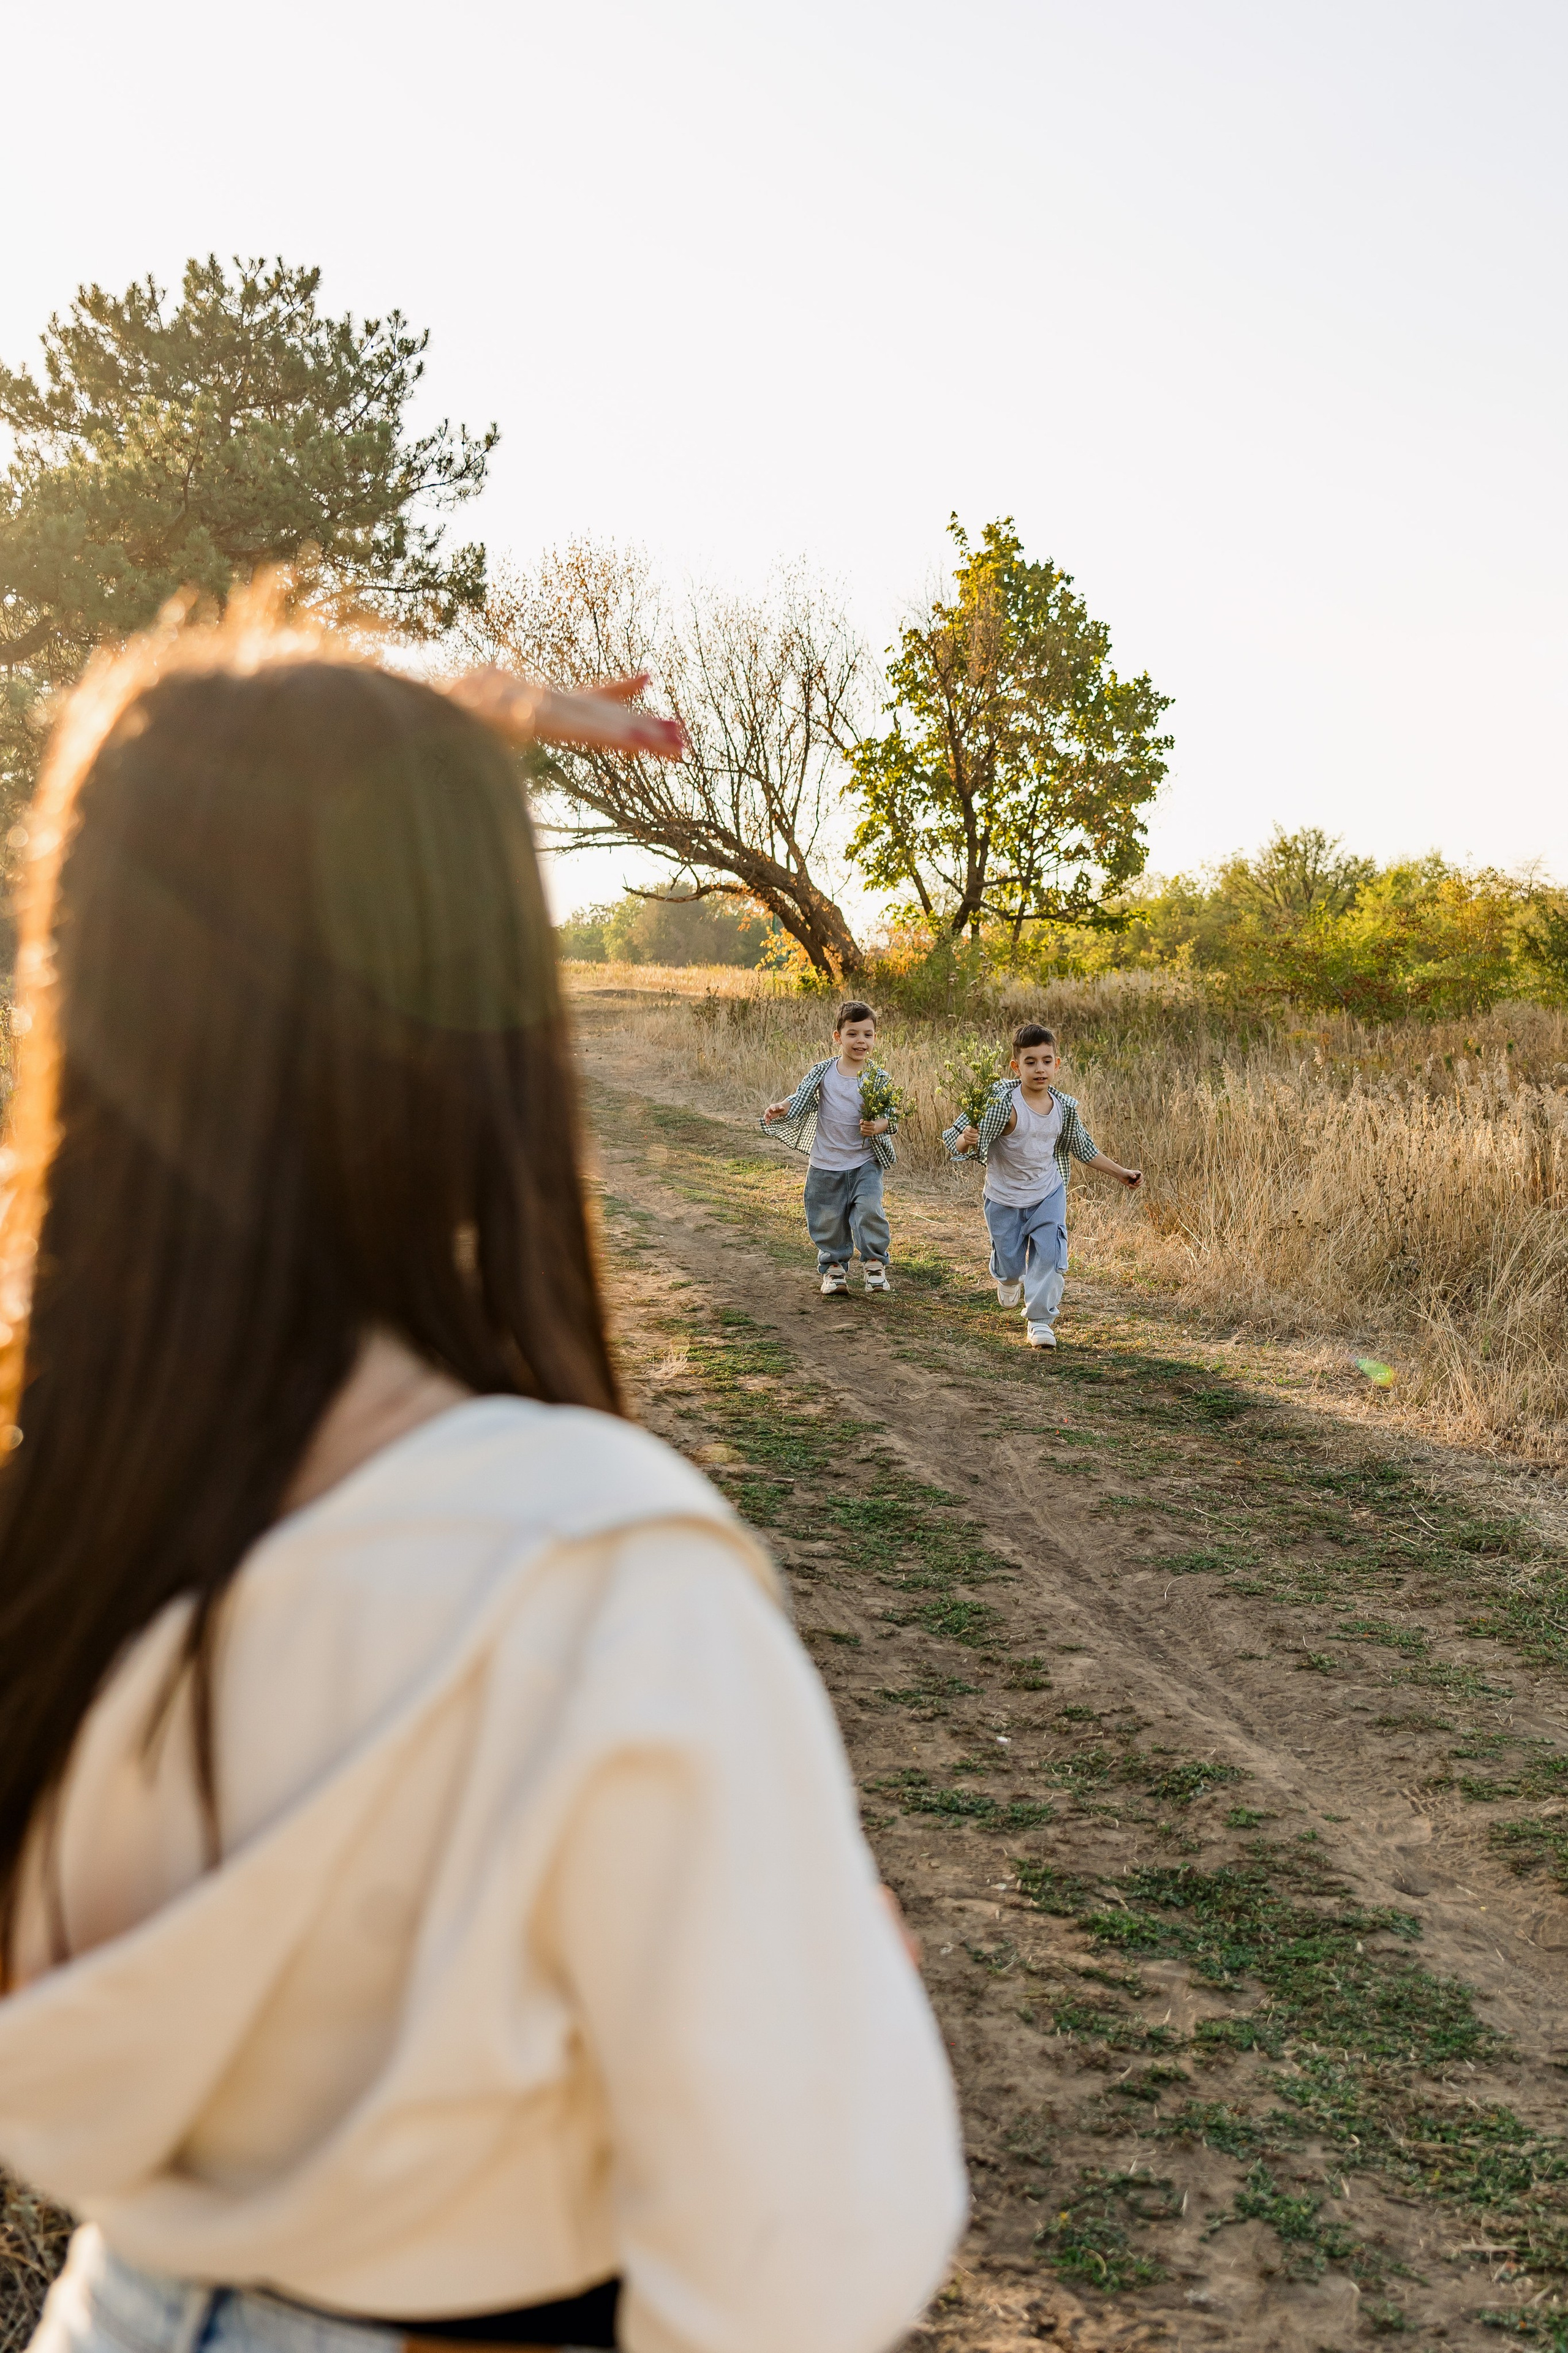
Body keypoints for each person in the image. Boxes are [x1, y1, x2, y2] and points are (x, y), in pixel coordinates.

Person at [0, 593, 967, 2353]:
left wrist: (380, 729)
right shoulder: (590, 1568)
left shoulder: (60, 1490)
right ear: (475, 1028)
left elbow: (165, 801)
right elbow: (798, 2266)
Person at [944, 1024, 1141, 1349]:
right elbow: (957, 1141)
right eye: (1031, 1062)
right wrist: (967, 1139)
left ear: (1057, 1064)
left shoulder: (1063, 1108)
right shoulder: (1001, 1104)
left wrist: (1121, 1173)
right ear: (1016, 1066)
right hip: (1004, 1198)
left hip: (1048, 1193)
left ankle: (1039, 1321)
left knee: (1050, 1256)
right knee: (1011, 1265)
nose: (1040, 1069)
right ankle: (1008, 1279)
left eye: (1047, 1061)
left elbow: (1084, 1148)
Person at [760, 1004, 899, 1296]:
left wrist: (878, 1126)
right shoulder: (824, 1072)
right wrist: (783, 1106)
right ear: (838, 1037)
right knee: (827, 1217)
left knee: (869, 1210)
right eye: (853, 1034)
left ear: (875, 1038)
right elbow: (800, 1097)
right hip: (826, 1162)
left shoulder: (878, 1077)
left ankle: (875, 1264)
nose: (861, 1041)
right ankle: (834, 1269)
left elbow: (891, 1116)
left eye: (868, 1034)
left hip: (865, 1161)